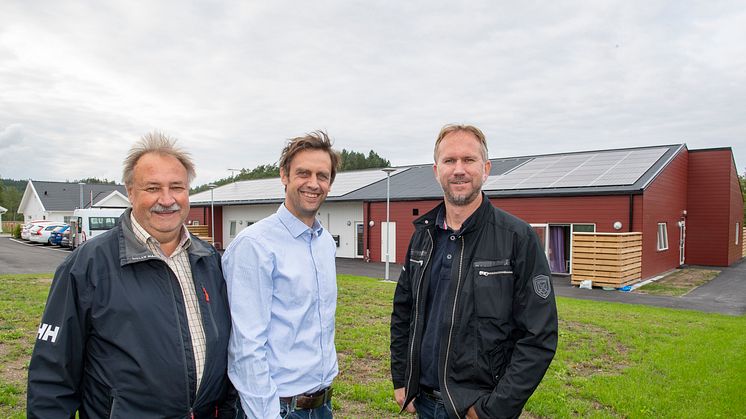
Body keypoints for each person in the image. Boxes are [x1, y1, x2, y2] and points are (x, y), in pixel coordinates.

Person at [27, 132, 236, 418]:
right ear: (131, 192)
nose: (167, 199)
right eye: (152, 188)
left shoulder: (209, 260)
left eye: (177, 186)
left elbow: (228, 354)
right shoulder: (87, 265)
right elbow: (52, 377)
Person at [390, 124, 558, 419]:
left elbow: (539, 335)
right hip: (425, 404)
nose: (459, 170)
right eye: (449, 160)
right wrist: (402, 378)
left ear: (486, 168)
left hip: (478, 407)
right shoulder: (423, 237)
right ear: (436, 170)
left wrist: (494, 409)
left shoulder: (517, 239)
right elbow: (403, 311)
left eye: (468, 160)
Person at [222, 131, 339, 419]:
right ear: (284, 175)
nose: (313, 183)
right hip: (278, 408)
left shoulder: (324, 243)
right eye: (303, 173)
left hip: (322, 404)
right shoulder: (255, 245)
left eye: (322, 176)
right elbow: (246, 346)